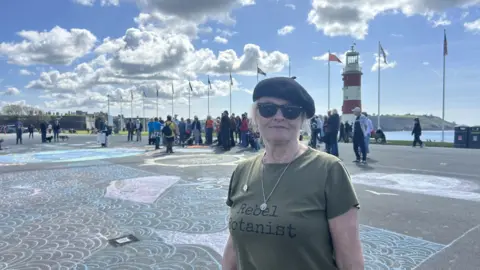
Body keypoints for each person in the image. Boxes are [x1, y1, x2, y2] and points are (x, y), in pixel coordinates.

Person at [222, 77, 364, 270]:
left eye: (290, 111)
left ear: (302, 119)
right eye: (268, 109)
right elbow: (234, 247)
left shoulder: (329, 170)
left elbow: (350, 260)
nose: (278, 117)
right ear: (255, 115)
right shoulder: (242, 171)